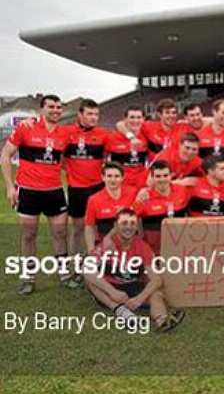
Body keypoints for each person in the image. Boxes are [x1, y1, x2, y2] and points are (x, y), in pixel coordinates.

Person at [1, 95, 71, 294]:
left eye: (59, 107)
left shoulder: (64, 133)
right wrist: (9, 187)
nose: (56, 110)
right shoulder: (26, 127)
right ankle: (28, 278)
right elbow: (5, 155)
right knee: (29, 235)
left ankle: (65, 275)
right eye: (51, 106)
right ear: (41, 109)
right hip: (29, 191)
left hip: (55, 191)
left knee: (60, 233)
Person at [84, 209, 185, 332]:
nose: (128, 227)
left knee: (157, 293)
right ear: (115, 226)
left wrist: (139, 299)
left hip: (134, 285)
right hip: (111, 288)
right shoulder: (107, 245)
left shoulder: (143, 247)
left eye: (132, 223)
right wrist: (112, 292)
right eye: (124, 223)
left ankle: (162, 320)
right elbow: (87, 269)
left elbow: (156, 279)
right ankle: (121, 311)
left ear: (137, 226)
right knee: (91, 281)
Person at [62, 98, 108, 283]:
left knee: (99, 229)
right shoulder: (66, 133)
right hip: (77, 189)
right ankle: (78, 267)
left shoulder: (103, 134)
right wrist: (71, 171)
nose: (93, 117)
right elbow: (59, 157)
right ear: (80, 114)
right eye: (89, 113)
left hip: (98, 188)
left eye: (96, 114)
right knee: (78, 229)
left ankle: (100, 265)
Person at [133, 161, 190, 254]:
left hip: (179, 247)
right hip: (154, 251)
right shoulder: (144, 197)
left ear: (171, 176)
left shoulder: (182, 190)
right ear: (152, 178)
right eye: (158, 176)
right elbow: (130, 219)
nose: (162, 179)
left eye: (165, 175)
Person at [84, 162, 137, 251]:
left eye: (116, 176)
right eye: (109, 176)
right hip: (107, 247)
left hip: (130, 245)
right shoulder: (94, 199)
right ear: (103, 177)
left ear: (122, 177)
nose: (113, 180)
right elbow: (89, 227)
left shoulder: (133, 193)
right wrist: (91, 250)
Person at [106, 105, 149, 189]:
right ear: (125, 119)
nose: (135, 121)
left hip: (141, 187)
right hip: (121, 187)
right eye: (132, 117)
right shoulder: (112, 138)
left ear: (143, 119)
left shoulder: (146, 136)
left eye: (138, 117)